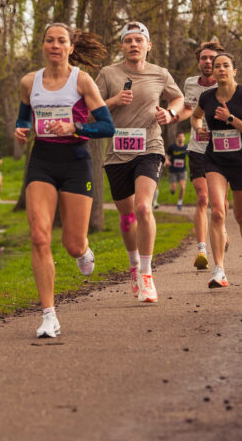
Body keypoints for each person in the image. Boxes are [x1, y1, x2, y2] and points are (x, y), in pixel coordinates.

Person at [14, 23, 114, 338]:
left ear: (71, 47)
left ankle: (83, 250)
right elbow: (23, 117)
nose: (55, 45)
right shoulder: (29, 82)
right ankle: (48, 315)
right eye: (49, 40)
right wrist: (21, 130)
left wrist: (75, 128)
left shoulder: (81, 81)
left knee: (71, 244)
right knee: (40, 238)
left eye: (61, 41)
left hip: (76, 162)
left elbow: (106, 127)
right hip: (41, 162)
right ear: (42, 46)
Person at [96, 21, 184, 304]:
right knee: (127, 217)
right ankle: (133, 264)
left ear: (148, 46)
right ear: (122, 46)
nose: (134, 44)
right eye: (128, 40)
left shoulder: (160, 74)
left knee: (144, 207)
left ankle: (146, 274)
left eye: (139, 40)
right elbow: (88, 108)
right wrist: (113, 100)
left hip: (150, 147)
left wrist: (170, 114)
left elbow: (180, 98)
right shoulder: (108, 73)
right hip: (116, 153)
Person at [191, 52, 242, 288]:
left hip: (241, 161)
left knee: (241, 216)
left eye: (225, 66)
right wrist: (199, 128)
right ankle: (219, 270)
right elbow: (196, 116)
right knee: (218, 212)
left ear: (234, 71)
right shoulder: (207, 97)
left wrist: (231, 118)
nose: (220, 69)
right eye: (216, 66)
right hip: (215, 161)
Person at [178, 39, 230, 270]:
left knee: (220, 203)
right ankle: (201, 250)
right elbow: (188, 110)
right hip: (198, 147)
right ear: (198, 61)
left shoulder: (227, 84)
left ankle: (222, 230)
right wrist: (172, 115)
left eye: (213, 59)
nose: (208, 62)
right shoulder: (190, 83)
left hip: (222, 148)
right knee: (202, 198)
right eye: (204, 58)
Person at [166, 132, 188, 210]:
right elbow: (167, 155)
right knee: (173, 188)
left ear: (184, 138)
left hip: (182, 170)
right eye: (179, 137)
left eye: (182, 137)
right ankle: (172, 190)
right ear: (177, 138)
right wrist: (167, 160)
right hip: (173, 170)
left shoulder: (186, 147)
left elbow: (191, 156)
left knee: (182, 187)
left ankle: (179, 203)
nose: (181, 138)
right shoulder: (172, 147)